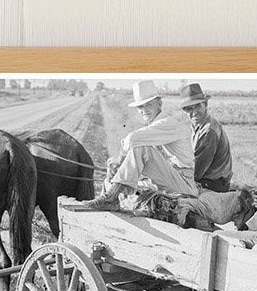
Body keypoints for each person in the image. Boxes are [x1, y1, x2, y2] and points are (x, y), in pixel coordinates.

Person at [79, 80, 197, 209]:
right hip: (170, 177)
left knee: (141, 149)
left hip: (184, 182)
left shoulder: (168, 123)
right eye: (141, 107)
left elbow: (132, 139)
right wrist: (116, 164)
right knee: (112, 173)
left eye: (149, 105)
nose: (144, 110)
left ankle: (110, 199)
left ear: (159, 104)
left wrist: (120, 162)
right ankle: (107, 203)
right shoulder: (155, 126)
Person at [179, 82, 232, 192]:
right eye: (189, 108)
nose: (194, 112)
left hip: (214, 184)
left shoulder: (209, 130)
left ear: (206, 104)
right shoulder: (198, 125)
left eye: (198, 106)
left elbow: (198, 171)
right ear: (184, 111)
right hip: (209, 180)